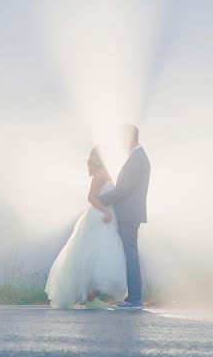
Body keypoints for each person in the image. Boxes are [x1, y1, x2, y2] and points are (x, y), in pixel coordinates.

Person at [44, 146, 127, 309]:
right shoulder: (100, 174)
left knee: (99, 255)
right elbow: (91, 197)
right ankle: (90, 296)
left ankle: (91, 295)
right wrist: (105, 212)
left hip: (106, 216)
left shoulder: (105, 172)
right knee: (95, 255)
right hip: (100, 217)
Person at [99, 124, 151, 311]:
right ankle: (132, 297)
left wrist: (100, 200)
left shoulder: (137, 159)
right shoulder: (138, 158)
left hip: (129, 215)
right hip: (130, 214)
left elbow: (123, 190)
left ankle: (135, 299)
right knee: (130, 255)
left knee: (131, 256)